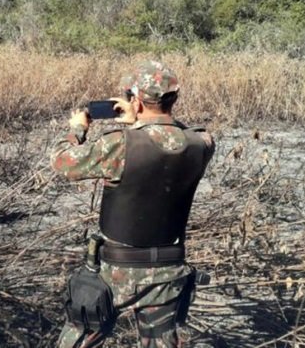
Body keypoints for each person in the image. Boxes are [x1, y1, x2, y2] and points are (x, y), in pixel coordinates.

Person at [51, 61, 215, 347]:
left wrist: (77, 128)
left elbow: (62, 162)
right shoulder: (202, 143)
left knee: (81, 334)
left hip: (115, 270)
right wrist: (140, 122)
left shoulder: (119, 143)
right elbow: (171, 141)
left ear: (136, 101)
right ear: (173, 99)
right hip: (168, 270)